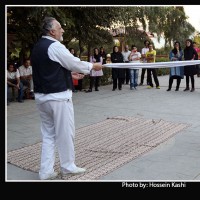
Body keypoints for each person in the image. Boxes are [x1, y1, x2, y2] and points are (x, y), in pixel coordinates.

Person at [30, 17, 102, 180]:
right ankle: (68, 166)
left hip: (42, 98)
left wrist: (68, 74)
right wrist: (92, 66)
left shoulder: (37, 47)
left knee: (48, 135)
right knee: (65, 133)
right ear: (52, 31)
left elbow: (48, 69)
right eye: (60, 28)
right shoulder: (54, 46)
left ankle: (46, 171)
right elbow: (73, 62)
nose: (62, 30)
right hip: (58, 98)